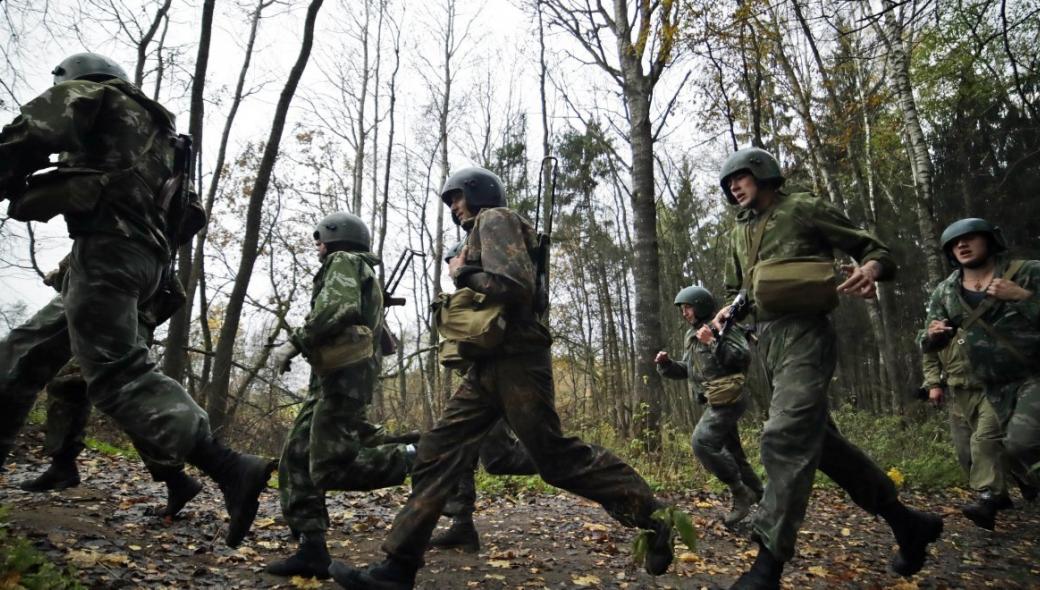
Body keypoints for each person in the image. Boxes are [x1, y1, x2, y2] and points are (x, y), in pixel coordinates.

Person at [328, 167, 677, 590]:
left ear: (479, 193)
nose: (454, 206)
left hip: (518, 360)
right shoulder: (480, 231)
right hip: (488, 364)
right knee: (437, 450)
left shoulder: (496, 219)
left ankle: (653, 516)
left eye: (457, 197)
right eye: (450, 200)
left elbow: (514, 285)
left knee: (555, 459)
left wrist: (463, 274)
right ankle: (397, 569)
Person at [0, 52, 273, 548]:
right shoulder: (165, 140)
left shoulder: (95, 94)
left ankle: (229, 467)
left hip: (107, 253)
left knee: (116, 375)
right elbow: (185, 214)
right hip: (142, 263)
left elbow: (29, 133)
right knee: (23, 351)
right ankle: (100, 467)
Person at [715, 148, 942, 589]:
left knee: (784, 436)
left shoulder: (803, 207)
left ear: (762, 174)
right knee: (822, 445)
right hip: (768, 344)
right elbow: (737, 289)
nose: (733, 187)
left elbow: (877, 250)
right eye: (727, 185)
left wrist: (872, 267)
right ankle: (906, 523)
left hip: (806, 335)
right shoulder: (737, 231)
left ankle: (768, 565)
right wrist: (729, 311)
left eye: (739, 178)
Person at [264, 212, 416, 579]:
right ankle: (312, 548)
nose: (317, 245)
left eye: (319, 238)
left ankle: (415, 456)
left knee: (330, 465)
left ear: (335, 238)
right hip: (336, 377)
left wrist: (295, 343)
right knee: (296, 457)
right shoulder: (362, 270)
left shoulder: (343, 261)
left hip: (343, 381)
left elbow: (337, 308)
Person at [0, 260, 201, 518]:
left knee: (118, 391)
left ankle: (180, 476)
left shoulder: (139, 243)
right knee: (66, 383)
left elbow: (173, 292)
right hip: (95, 301)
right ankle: (62, 465)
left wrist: (141, 315)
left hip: (114, 309)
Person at [920, 218, 1040, 531]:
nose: (962, 244)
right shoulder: (945, 292)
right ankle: (1015, 490)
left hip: (1032, 375)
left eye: (970, 238)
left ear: (989, 240)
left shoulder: (1028, 272)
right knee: (994, 450)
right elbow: (926, 340)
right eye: (954, 243)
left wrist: (1022, 297)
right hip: (991, 387)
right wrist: (934, 336)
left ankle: (994, 496)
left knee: (1019, 443)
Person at [428, 242, 538, 553]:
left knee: (498, 458)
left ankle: (560, 458)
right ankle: (462, 525)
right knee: (464, 449)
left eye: (452, 261)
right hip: (479, 379)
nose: (449, 268)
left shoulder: (483, 287)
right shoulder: (467, 291)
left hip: (497, 379)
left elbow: (486, 328)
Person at [656, 285, 762, 527]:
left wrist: (713, 340)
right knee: (735, 454)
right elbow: (690, 370)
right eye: (682, 309)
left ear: (700, 306)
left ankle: (740, 493)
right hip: (714, 399)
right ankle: (764, 500)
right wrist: (666, 365)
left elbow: (741, 357)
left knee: (702, 442)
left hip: (729, 398)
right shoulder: (691, 335)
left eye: (688, 308)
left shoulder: (723, 326)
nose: (684, 313)